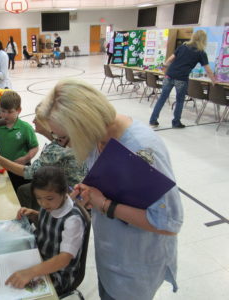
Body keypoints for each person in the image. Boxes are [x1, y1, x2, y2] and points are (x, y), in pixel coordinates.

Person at [37, 78, 183, 300]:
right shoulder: (98, 138)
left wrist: (104, 204)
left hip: (134, 267)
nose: (65, 144)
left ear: (83, 125)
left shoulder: (141, 149)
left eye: (65, 137)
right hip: (111, 256)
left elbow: (169, 222)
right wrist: (89, 195)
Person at [5, 166, 85, 296]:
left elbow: (64, 259)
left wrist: (30, 272)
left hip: (58, 273)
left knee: (17, 292)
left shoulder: (73, 220)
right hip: (39, 256)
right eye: (38, 198)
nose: (43, 204)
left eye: (49, 198)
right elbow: (49, 223)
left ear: (64, 192)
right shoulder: (51, 205)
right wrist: (34, 215)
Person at [0, 105, 86, 209]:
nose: (33, 121)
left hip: (69, 198)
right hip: (70, 190)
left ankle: (37, 218)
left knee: (27, 190)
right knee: (24, 190)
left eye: (37, 117)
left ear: (48, 123)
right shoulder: (65, 140)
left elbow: (28, 172)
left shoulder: (56, 150)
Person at [149, 30, 216, 128]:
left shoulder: (182, 47)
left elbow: (170, 59)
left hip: (170, 75)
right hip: (181, 78)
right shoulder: (201, 52)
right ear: (203, 40)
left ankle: (153, 120)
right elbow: (208, 69)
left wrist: (164, 68)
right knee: (179, 100)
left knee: (162, 98)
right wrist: (214, 80)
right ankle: (176, 122)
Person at [0, 90, 39, 192]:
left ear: (19, 110)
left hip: (22, 168)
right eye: (3, 111)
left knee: (22, 192)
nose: (5, 115)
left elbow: (34, 147)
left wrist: (26, 158)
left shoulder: (25, 128)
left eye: (10, 112)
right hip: (6, 168)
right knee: (10, 192)